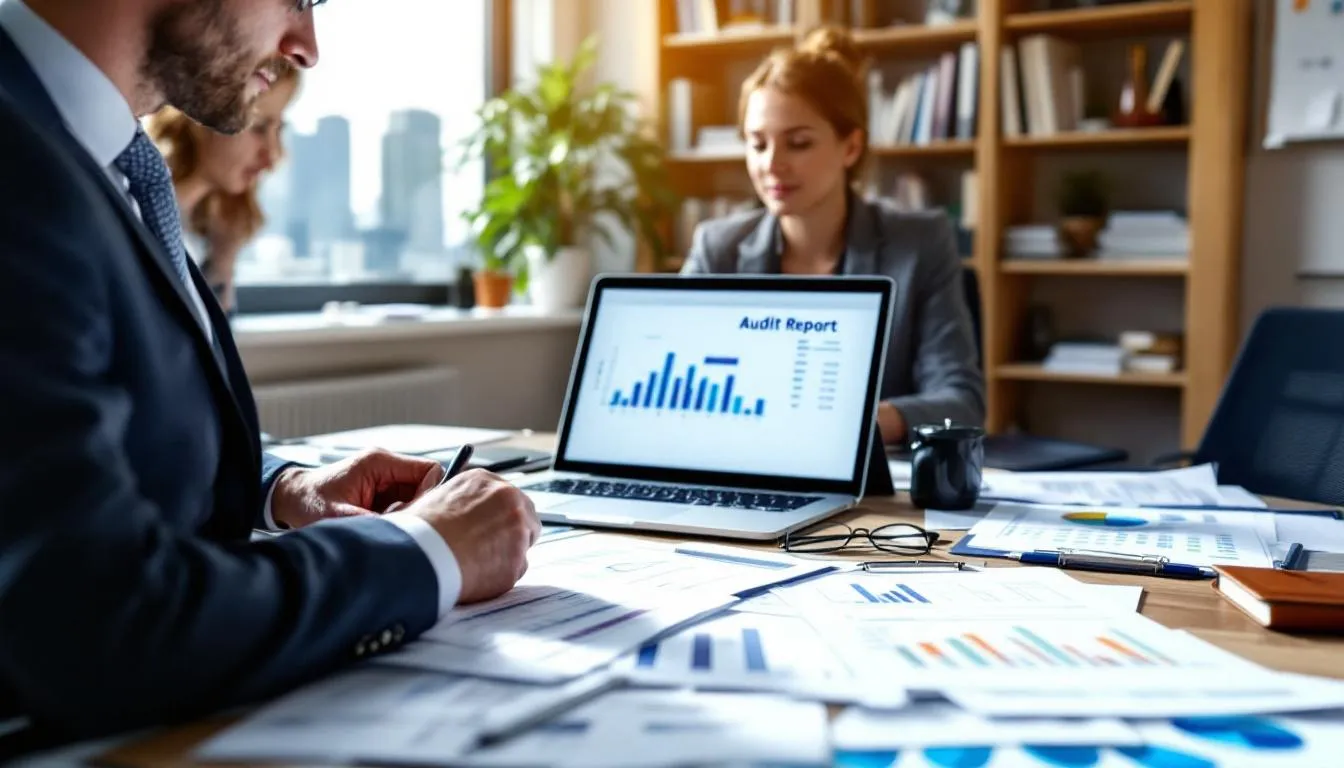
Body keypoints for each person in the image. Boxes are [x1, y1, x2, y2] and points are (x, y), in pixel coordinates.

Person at [0, 0, 539, 753]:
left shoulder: (92, 155)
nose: (307, 47)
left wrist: (279, 488)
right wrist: (427, 551)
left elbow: (99, 441)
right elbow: (97, 622)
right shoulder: (19, 165)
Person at [681, 26, 985, 445]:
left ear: (851, 147)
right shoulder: (717, 249)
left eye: (798, 143)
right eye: (757, 144)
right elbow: (674, 382)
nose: (772, 164)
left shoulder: (919, 244)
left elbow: (962, 402)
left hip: (867, 491)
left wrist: (860, 425)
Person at [144, 62, 300, 314]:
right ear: (204, 116)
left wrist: (223, 257)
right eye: (259, 127)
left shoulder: (202, 231)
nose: (273, 154)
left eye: (279, 129)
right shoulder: (141, 213)